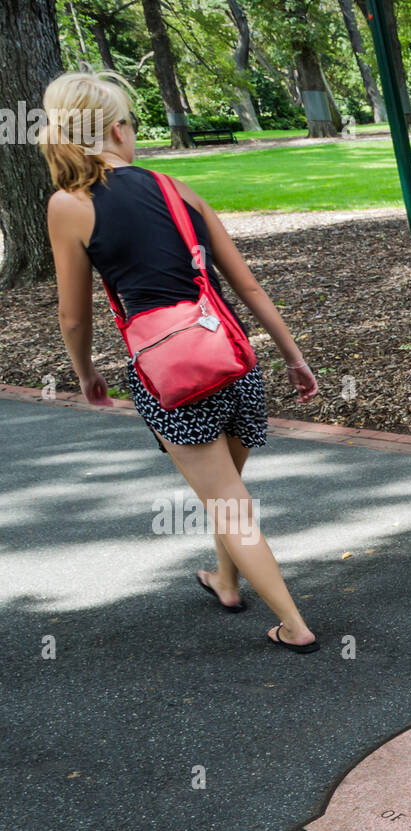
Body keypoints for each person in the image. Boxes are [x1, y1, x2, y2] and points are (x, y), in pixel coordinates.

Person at [41, 71, 321, 652]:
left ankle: (294, 624)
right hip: (234, 359)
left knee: (226, 500)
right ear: (117, 127)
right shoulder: (178, 189)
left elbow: (74, 316)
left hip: (172, 377)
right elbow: (247, 286)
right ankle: (225, 580)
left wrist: (85, 373)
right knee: (228, 487)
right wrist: (293, 357)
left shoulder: (70, 205)